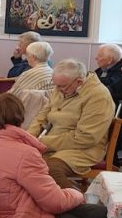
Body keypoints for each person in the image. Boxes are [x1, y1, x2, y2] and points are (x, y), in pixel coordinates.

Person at [28, 59, 115, 190]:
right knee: (23, 161)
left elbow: (86, 138)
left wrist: (42, 142)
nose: (56, 90)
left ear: (79, 82)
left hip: (84, 149)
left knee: (51, 169)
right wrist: (29, 137)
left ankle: (78, 206)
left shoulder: (98, 96)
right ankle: (43, 206)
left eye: (62, 86)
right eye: (55, 85)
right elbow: (42, 116)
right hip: (53, 143)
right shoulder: (62, 86)